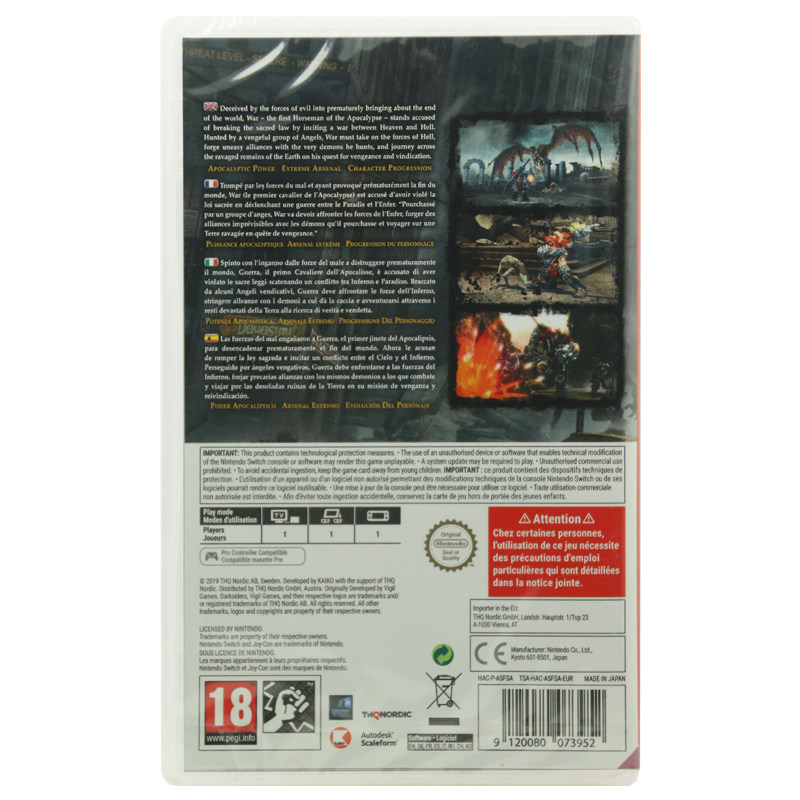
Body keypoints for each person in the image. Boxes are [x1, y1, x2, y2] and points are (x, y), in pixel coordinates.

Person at [537, 231, 587, 297]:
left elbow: (562, 252)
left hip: (559, 262)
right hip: (551, 263)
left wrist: (554, 252)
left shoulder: (554, 240)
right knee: (544, 271)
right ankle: (551, 285)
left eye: (538, 232)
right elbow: (541, 253)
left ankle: (580, 289)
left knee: (566, 275)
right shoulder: (544, 244)